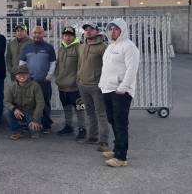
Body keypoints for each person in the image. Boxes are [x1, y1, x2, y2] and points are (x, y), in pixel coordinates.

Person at [99, 18, 140, 167]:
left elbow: (132, 70)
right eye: (110, 29)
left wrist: (123, 88)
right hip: (107, 89)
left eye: (116, 29)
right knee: (113, 121)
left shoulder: (129, 47)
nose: (112, 32)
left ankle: (121, 157)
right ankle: (116, 149)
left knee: (121, 123)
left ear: (122, 30)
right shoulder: (110, 47)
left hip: (120, 92)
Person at [77, 22, 109, 151]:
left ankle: (103, 141)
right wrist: (78, 79)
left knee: (101, 113)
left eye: (91, 29)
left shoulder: (103, 47)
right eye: (86, 30)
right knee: (89, 112)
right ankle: (92, 136)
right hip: (83, 85)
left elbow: (108, 67)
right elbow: (79, 64)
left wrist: (103, 82)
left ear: (97, 31)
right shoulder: (82, 46)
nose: (88, 31)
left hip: (97, 86)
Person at [19, 26, 56, 133]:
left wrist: (48, 76)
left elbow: (53, 63)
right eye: (35, 33)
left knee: (45, 103)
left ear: (43, 34)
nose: (37, 35)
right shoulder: (27, 47)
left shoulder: (49, 47)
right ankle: (28, 123)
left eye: (39, 33)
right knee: (28, 103)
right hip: (30, 82)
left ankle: (46, 125)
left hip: (44, 81)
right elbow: (22, 63)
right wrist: (24, 77)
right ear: (31, 34)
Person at [54, 26, 86, 139]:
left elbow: (82, 65)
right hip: (62, 85)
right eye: (65, 35)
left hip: (75, 86)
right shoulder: (61, 48)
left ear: (74, 36)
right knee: (66, 107)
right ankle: (69, 126)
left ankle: (82, 129)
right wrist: (57, 78)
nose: (67, 37)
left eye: (70, 35)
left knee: (79, 108)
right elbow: (58, 65)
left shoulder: (79, 48)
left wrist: (78, 80)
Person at [4, 66, 44, 140]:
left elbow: (40, 103)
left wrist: (35, 119)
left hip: (31, 112)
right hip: (19, 112)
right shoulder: (11, 87)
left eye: (24, 74)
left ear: (28, 75)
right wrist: (14, 109)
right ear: (15, 76)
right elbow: (6, 101)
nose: (22, 76)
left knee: (34, 130)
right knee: (6, 112)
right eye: (19, 74)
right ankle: (17, 131)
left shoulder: (35, 86)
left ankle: (36, 125)